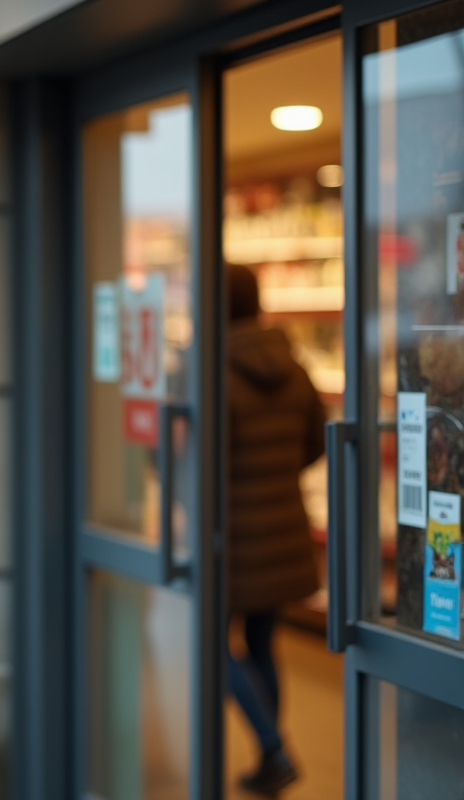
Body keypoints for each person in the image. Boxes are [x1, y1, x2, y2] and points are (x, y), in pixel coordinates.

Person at [225, 264, 325, 795]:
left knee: (212, 645)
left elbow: (204, 465)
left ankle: (273, 746)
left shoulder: (213, 370)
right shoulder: (294, 364)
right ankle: (271, 754)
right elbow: (317, 439)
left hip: (233, 537)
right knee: (263, 643)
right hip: (283, 526)